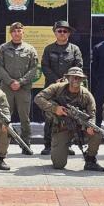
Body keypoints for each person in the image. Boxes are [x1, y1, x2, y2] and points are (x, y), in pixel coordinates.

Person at [34, 66, 104, 171]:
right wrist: (54, 108)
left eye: (78, 78)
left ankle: (90, 160)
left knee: (97, 132)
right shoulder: (57, 88)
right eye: (73, 77)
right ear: (68, 78)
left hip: (80, 127)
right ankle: (61, 147)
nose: (75, 80)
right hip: (62, 128)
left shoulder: (86, 95)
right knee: (58, 165)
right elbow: (38, 98)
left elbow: (92, 113)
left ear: (82, 80)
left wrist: (90, 126)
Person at [40, 20, 83, 155]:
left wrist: (67, 79)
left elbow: (78, 65)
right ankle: (47, 145)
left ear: (69, 33)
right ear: (55, 32)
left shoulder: (74, 49)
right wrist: (56, 80)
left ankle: (67, 145)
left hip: (69, 87)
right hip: (52, 87)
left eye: (65, 31)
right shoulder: (48, 49)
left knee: (69, 116)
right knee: (49, 116)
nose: (62, 33)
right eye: (60, 31)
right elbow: (44, 66)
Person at [0, 22, 38, 153]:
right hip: (6, 88)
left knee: (24, 117)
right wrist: (9, 81)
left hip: (23, 88)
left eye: (19, 31)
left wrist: (20, 82)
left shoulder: (30, 49)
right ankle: (2, 147)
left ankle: (26, 144)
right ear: (10, 33)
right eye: (14, 31)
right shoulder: (2, 48)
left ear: (23, 33)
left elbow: (34, 69)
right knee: (4, 117)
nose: (17, 33)